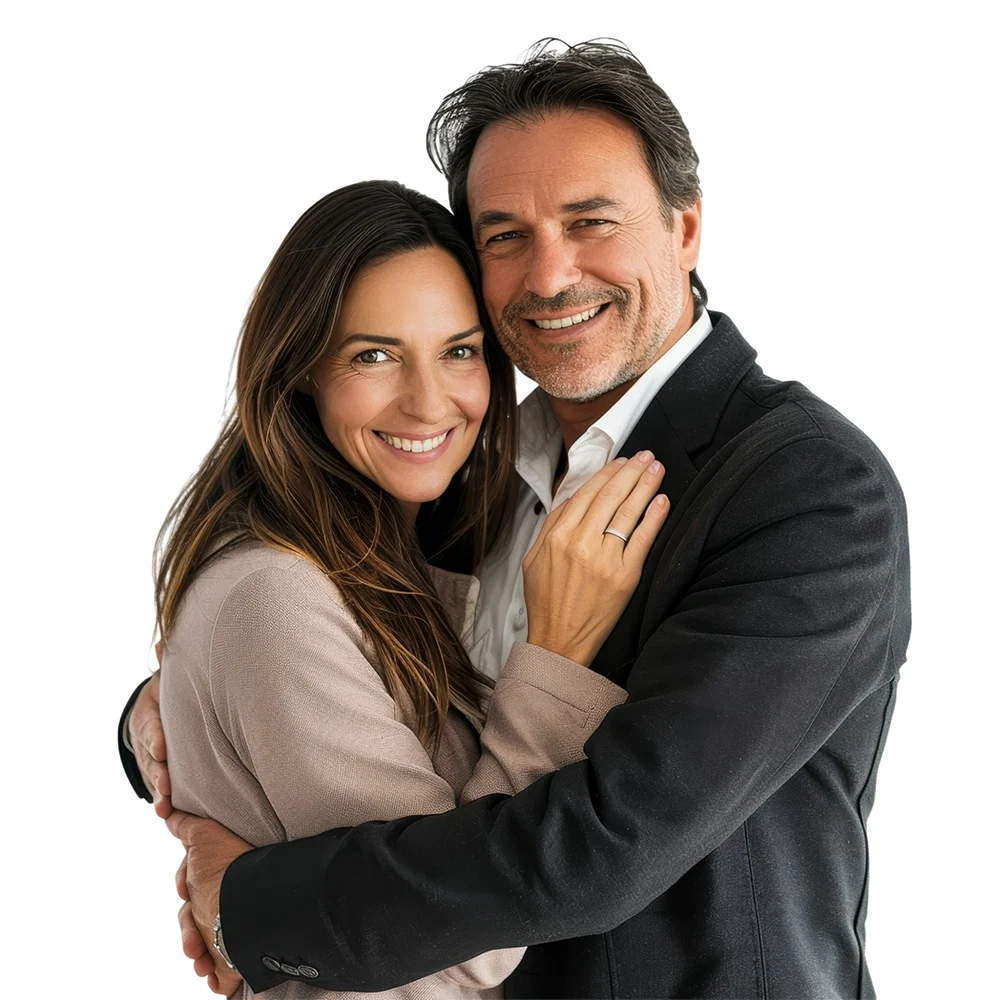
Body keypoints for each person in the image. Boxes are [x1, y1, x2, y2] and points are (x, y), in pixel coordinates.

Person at [122, 39, 911, 1000]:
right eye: (504, 236)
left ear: (686, 227)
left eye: (591, 222)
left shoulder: (810, 491)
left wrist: (250, 909)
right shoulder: (456, 465)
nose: (548, 276)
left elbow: (602, 845)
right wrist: (177, 707)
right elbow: (338, 664)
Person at [135, 178, 673, 999]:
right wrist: (557, 653)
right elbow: (458, 939)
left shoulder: (391, 546)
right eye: (374, 355)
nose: (428, 403)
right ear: (300, 369)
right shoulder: (275, 594)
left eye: (459, 351)